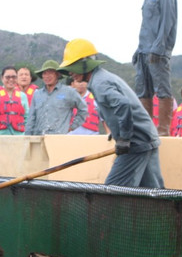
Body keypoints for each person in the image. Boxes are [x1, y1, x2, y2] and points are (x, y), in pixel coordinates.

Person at [58, 38, 165, 188]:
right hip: (146, 137)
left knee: (112, 190)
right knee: (152, 191)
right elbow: (117, 108)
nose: (71, 73)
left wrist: (124, 138)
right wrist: (116, 131)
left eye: (73, 67)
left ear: (85, 63)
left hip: (136, 142)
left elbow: (123, 105)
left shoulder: (100, 83)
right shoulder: (101, 78)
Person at [133, 0, 178, 135]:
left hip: (158, 49)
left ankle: (163, 130)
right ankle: (145, 130)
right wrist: (138, 49)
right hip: (143, 49)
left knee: (162, 88)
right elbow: (146, 26)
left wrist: (159, 46)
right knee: (143, 90)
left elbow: (168, 20)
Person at [24, 60, 87, 135]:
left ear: (58, 74)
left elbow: (83, 110)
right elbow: (31, 118)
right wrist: (27, 137)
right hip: (38, 137)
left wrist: (72, 127)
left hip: (58, 139)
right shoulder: (37, 94)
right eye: (45, 73)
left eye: (51, 73)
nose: (47, 76)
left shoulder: (69, 92)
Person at [0, 66, 29, 135]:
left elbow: (27, 118)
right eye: (7, 77)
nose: (11, 79)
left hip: (19, 136)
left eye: (14, 77)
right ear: (2, 78)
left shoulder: (22, 96)